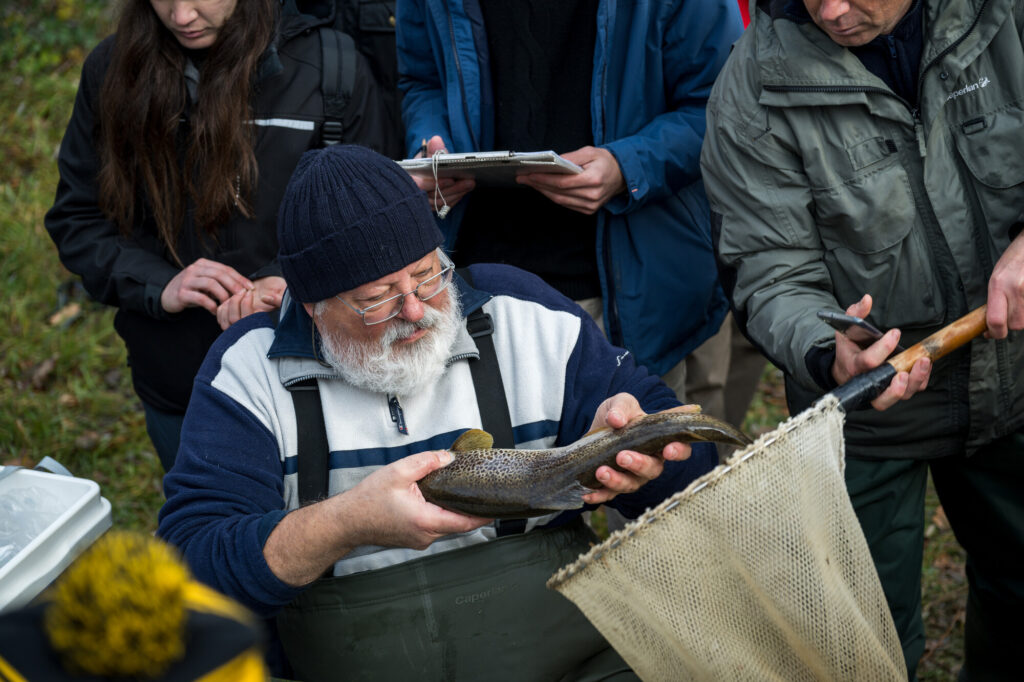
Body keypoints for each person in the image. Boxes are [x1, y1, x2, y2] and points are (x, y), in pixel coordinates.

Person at [157, 144, 720, 680]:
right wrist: (343, 524)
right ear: (312, 307)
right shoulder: (248, 371)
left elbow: (690, 467)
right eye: (377, 297)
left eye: (427, 274)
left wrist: (645, 456)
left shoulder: (526, 319)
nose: (415, 309)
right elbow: (195, 564)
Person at [700, 0, 1024, 678]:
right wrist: (829, 353)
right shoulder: (754, 83)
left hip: (1019, 377)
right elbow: (769, 267)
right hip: (865, 413)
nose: (831, 11)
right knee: (861, 645)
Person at [44, 0, 394, 470]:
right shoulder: (112, 71)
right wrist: (157, 283)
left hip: (316, 375)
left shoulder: (331, 66)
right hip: (178, 380)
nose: (181, 15)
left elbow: (375, 217)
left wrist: (293, 280)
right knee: (210, 530)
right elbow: (78, 218)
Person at [394, 0, 744, 410]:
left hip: (617, 295)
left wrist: (625, 166)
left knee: (631, 465)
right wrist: (431, 146)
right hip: (471, 290)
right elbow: (422, 80)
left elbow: (718, 103)